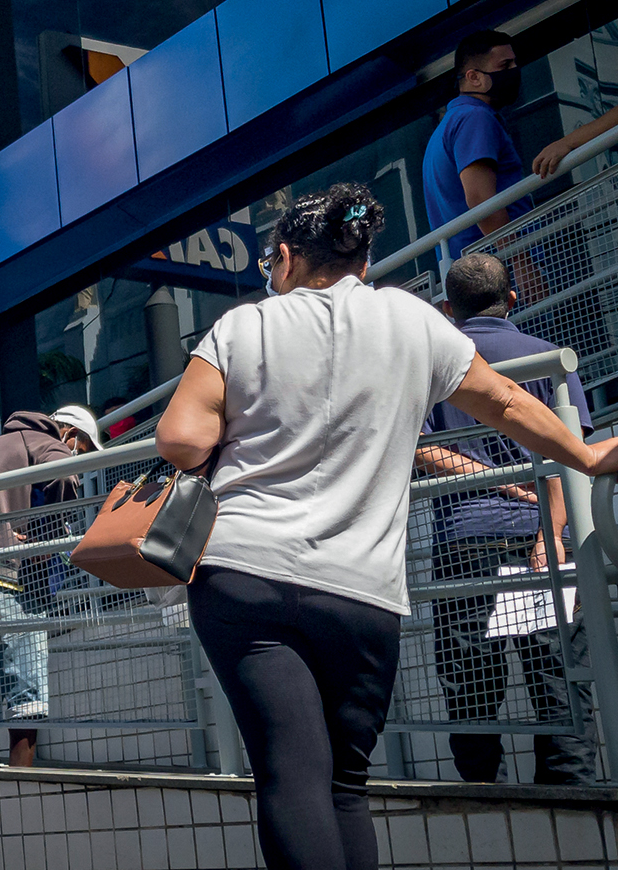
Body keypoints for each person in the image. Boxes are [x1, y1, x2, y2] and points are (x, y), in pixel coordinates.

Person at [154, 183, 618, 870]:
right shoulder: (415, 321)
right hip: (360, 589)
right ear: (364, 261)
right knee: (346, 785)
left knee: (290, 776)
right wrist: (583, 454)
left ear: (284, 258)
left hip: (242, 572)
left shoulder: (242, 328)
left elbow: (180, 440)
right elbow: (507, 401)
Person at [417, 253, 599, 784]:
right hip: (542, 540)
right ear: (513, 299)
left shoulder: (435, 369)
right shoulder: (549, 358)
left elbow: (422, 450)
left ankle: (480, 796)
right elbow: (571, 456)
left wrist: (490, 481)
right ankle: (573, 796)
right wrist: (552, 533)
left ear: (447, 308)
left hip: (465, 540)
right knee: (559, 674)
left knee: (469, 681)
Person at [0, 406, 96, 766]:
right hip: (16, 575)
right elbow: (65, 479)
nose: (78, 461)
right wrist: (45, 536)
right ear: (68, 434)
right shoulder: (47, 442)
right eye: (80, 451)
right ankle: (22, 784)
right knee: (28, 685)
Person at [421, 30, 533, 266]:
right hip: (501, 275)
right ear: (473, 77)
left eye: (514, 62)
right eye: (505, 65)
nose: (514, 70)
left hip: (474, 278)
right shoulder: (475, 118)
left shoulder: (448, 126)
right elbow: (481, 199)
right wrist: (523, 268)